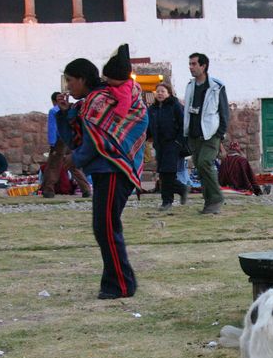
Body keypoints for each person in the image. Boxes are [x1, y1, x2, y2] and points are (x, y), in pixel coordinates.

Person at [55, 49, 148, 300]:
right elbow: (77, 139)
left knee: (106, 227)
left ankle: (121, 284)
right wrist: (64, 113)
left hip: (114, 171)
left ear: (83, 79)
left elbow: (99, 141)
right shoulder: (88, 104)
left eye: (70, 80)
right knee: (105, 227)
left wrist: (75, 159)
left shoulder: (100, 101)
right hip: (105, 171)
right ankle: (116, 282)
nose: (68, 86)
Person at [183, 52, 229, 215]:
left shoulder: (216, 87)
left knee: (205, 163)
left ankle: (216, 198)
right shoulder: (190, 86)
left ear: (203, 66)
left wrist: (220, 134)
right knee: (200, 168)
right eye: (190, 64)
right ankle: (209, 202)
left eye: (194, 64)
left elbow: (224, 111)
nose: (191, 67)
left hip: (211, 134)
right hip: (194, 134)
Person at [148, 82, 189, 211]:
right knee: (163, 173)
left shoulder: (175, 106)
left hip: (172, 144)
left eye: (163, 91)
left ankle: (167, 202)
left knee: (168, 173)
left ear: (169, 93)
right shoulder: (152, 109)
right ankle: (182, 189)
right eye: (158, 91)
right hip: (159, 145)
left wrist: (179, 142)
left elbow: (183, 125)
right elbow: (149, 128)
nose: (160, 93)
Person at [43, 91, 91, 198]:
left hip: (59, 141)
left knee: (53, 165)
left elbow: (52, 127)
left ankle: (48, 189)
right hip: (70, 139)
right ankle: (86, 188)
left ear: (53, 101)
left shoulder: (53, 111)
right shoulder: (70, 109)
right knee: (73, 165)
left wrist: (52, 142)